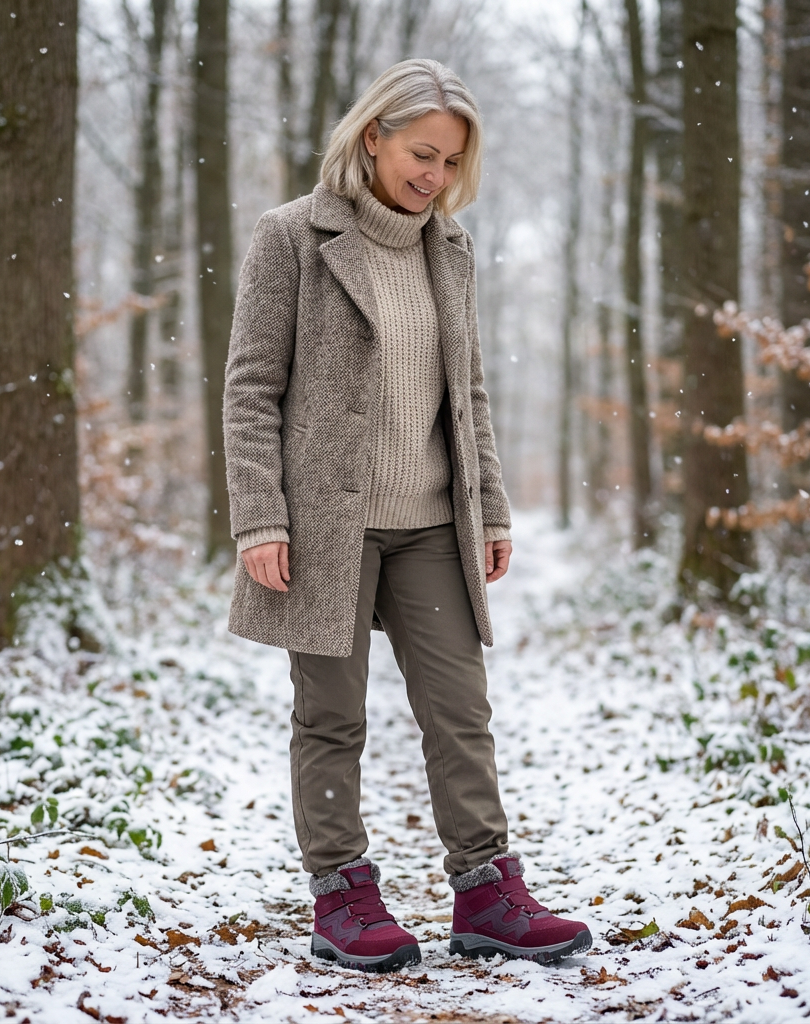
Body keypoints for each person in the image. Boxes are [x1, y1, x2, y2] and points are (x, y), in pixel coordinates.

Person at [223, 58, 591, 973]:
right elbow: (251, 389)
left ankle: (487, 893)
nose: (435, 175)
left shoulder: (449, 249)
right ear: (372, 137)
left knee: (461, 712)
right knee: (331, 717)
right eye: (422, 153)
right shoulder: (291, 237)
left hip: (431, 521)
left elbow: (468, 394)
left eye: (451, 162)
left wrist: (490, 508)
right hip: (324, 527)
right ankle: (342, 898)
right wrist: (260, 518)